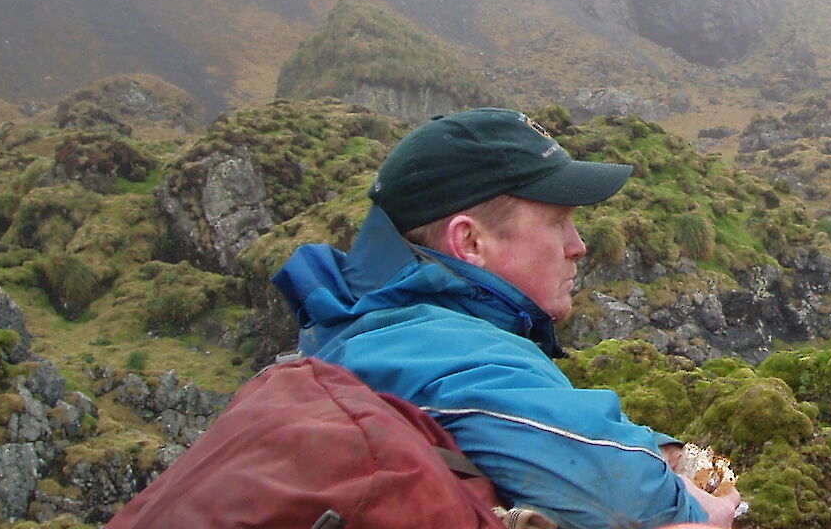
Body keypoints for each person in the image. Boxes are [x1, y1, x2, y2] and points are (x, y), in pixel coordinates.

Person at [272, 107, 741, 529]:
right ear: (471, 242)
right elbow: (641, 503)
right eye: (558, 221)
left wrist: (659, 449)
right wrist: (705, 515)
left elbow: (541, 427)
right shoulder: (452, 354)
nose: (577, 245)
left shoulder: (372, 325)